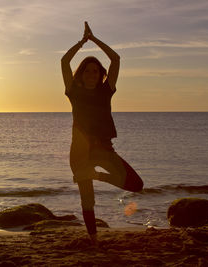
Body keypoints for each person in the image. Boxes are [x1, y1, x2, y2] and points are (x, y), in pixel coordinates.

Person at [61, 22, 143, 245]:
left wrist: (94, 39)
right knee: (87, 200)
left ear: (100, 75)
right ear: (81, 74)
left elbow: (116, 59)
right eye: (87, 70)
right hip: (79, 152)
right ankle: (93, 239)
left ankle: (97, 176)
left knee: (136, 184)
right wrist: (81, 43)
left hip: (104, 149)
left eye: (95, 71)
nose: (91, 74)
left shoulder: (106, 91)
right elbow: (64, 61)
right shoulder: (73, 92)